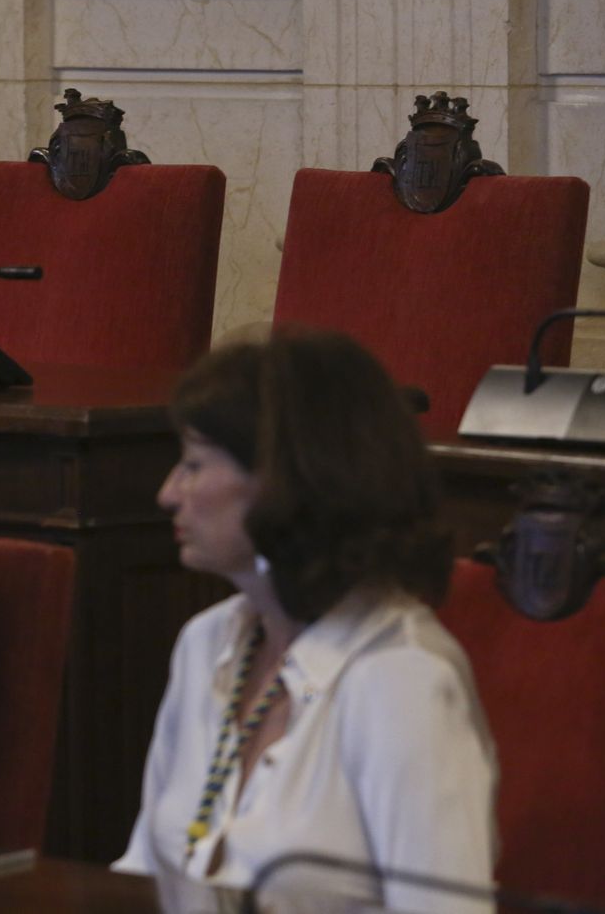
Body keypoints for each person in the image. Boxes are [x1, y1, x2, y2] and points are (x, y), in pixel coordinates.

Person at [114, 330, 496, 912]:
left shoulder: (401, 680)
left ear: (284, 481)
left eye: (193, 464)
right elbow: (143, 874)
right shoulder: (207, 643)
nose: (169, 492)